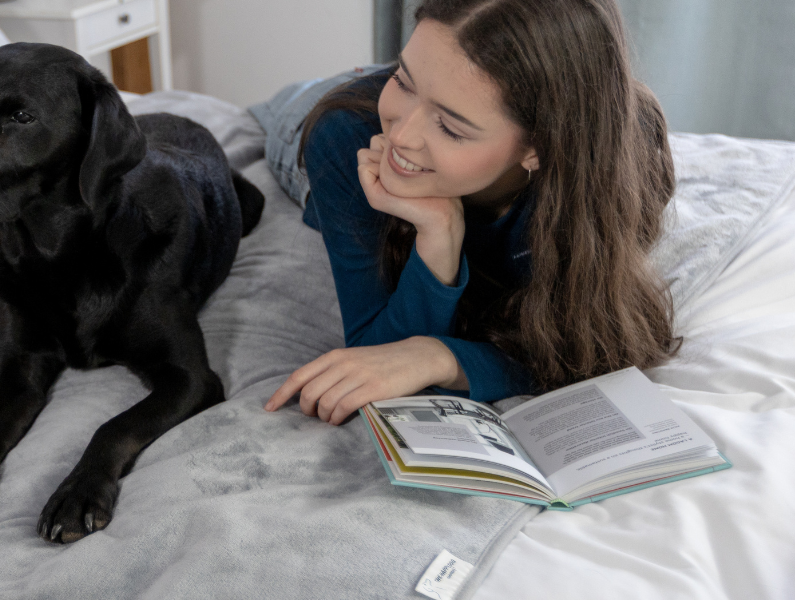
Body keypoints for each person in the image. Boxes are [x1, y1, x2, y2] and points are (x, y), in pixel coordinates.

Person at [263, 0, 679, 424]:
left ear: (539, 146)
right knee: (347, 104)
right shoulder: (346, 138)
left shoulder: (626, 153)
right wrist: (438, 239)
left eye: (450, 127)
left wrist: (442, 358)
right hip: (318, 111)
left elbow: (595, 347)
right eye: (402, 80)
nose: (402, 136)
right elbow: (374, 356)